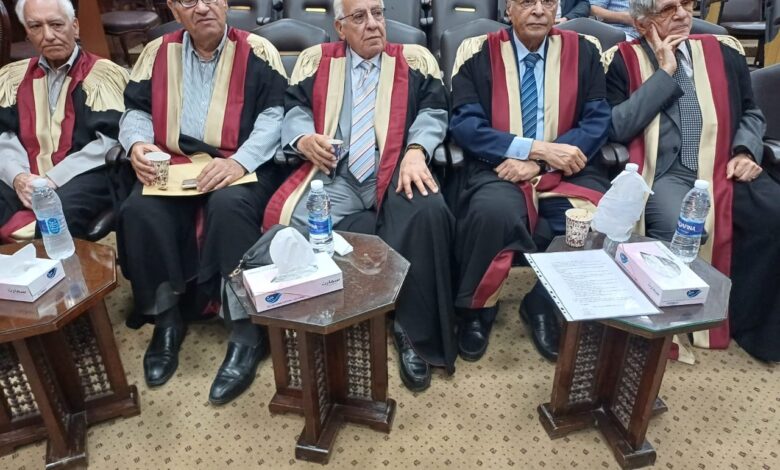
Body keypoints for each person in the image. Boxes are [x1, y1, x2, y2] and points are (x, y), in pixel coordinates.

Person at [263, 0, 454, 391]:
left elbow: (434, 110)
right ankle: (317, 320)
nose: (372, 24)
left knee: (429, 211)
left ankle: (413, 334)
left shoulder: (412, 61)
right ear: (340, 28)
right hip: (337, 174)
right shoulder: (319, 62)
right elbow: (295, 107)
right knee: (290, 223)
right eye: (359, 17)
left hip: (397, 167)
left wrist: (417, 149)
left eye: (378, 14)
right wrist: (304, 138)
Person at [117, 0, 288, 404]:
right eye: (187, 0)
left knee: (229, 207)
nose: (202, 7)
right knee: (139, 209)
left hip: (239, 163)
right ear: (174, 10)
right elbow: (135, 110)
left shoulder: (257, 51)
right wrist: (137, 143)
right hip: (173, 162)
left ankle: (246, 331)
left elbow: (276, 115)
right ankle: (167, 317)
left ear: (225, 3)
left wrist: (239, 161)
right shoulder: (157, 52)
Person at [605, 0, 780, 361]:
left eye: (686, 3)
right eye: (668, 8)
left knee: (774, 214)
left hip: (724, 164)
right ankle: (669, 327)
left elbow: (751, 112)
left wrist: (746, 151)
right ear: (642, 23)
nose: (683, 14)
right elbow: (619, 126)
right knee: (679, 231)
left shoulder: (723, 53)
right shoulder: (620, 60)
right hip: (664, 173)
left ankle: (748, 322)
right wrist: (665, 72)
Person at [449, 0, 610, 362]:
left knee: (599, 220)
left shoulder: (584, 51)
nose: (538, 10)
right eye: (526, 1)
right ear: (508, 9)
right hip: (498, 166)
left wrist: (540, 163)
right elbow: (465, 125)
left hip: (565, 168)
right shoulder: (478, 53)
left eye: (547, 1)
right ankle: (478, 309)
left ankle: (542, 302)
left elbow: (597, 120)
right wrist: (534, 149)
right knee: (492, 213)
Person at [0, 0, 127, 242]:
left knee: (58, 215)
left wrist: (52, 179)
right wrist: (18, 177)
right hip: (25, 176)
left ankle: (62, 267)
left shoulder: (102, 76)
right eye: (36, 26)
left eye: (56, 24)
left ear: (75, 26)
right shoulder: (12, 79)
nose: (48, 35)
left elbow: (111, 141)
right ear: (26, 32)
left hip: (83, 175)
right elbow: (3, 135)